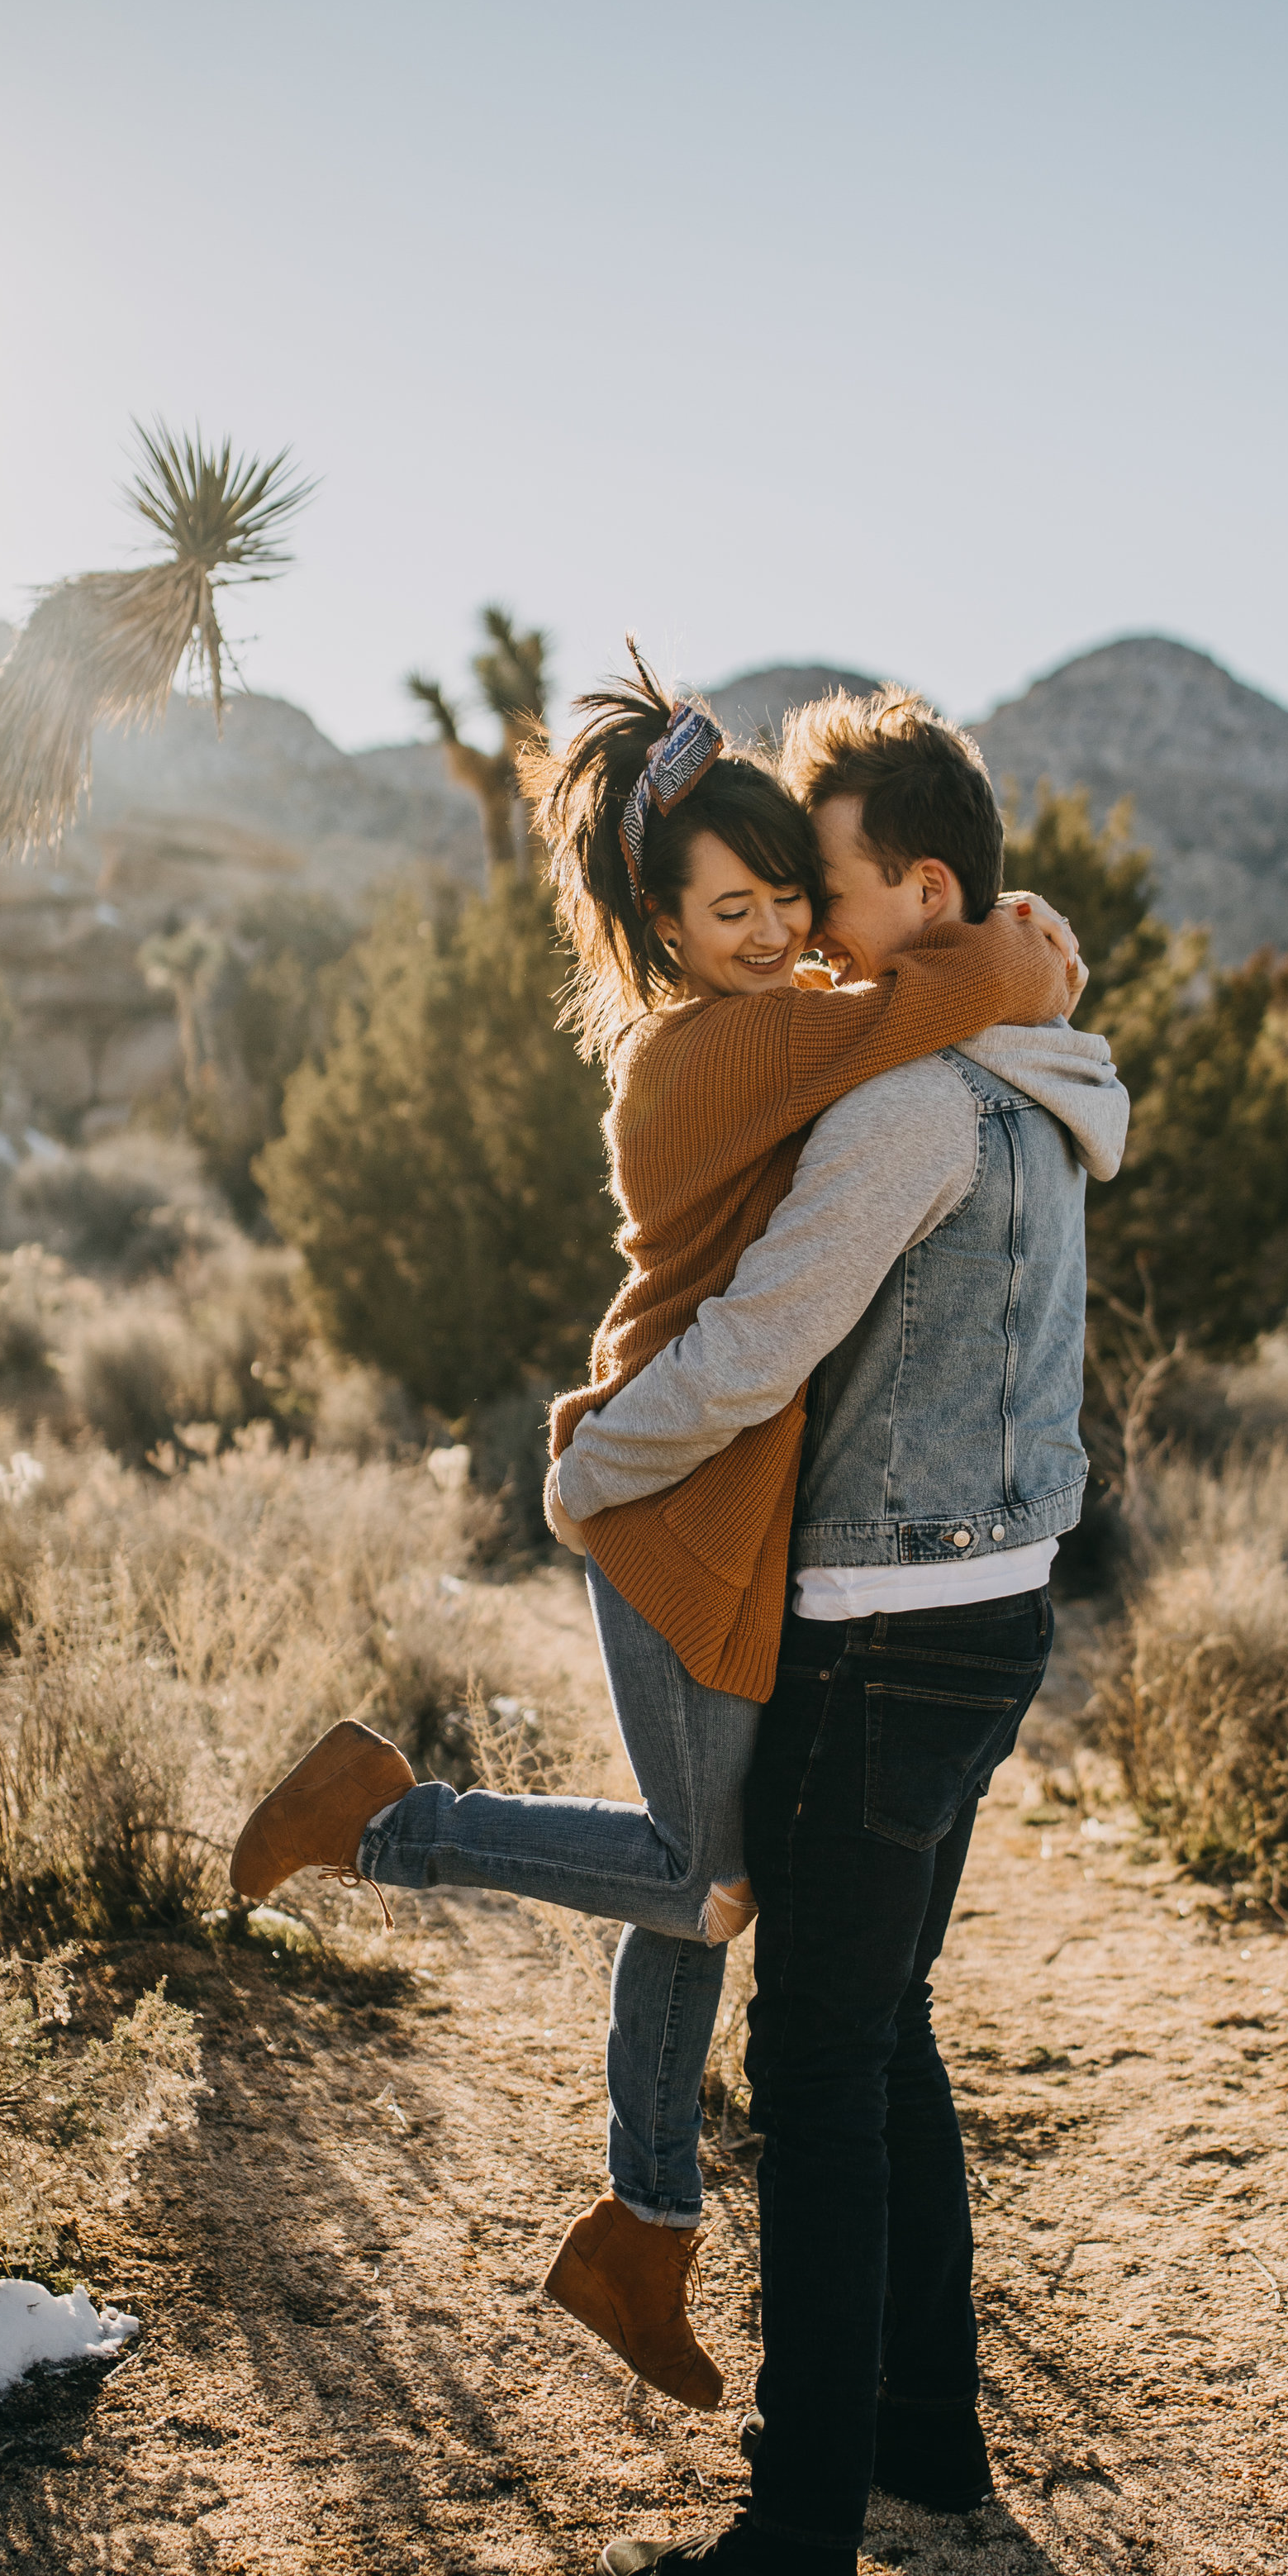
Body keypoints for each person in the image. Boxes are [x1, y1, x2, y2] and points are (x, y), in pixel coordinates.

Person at [228, 648, 1081, 2412]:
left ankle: (639, 2235)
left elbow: (898, 1020)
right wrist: (1010, 953)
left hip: (725, 1499)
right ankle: (389, 1822)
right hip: (660, 1483)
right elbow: (919, 1007)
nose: (777, 932)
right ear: (660, 929)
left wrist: (976, 968)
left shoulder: (778, 1036)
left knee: (697, 1885)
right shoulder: (699, 1063)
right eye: (734, 908)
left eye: (786, 898)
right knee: (705, 1875)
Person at [545, 686, 1128, 2576]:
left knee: (810, 2074)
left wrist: (586, 1465)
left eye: (835, 881)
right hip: (1002, 1616)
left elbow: (754, 1352)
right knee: (884, 2034)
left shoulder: (896, 1104)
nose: (810, 924)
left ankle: (794, 2560)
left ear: (925, 888)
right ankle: (925, 2437)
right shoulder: (1047, 1076)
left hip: (877, 1633)